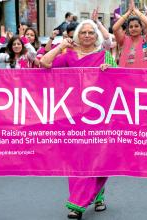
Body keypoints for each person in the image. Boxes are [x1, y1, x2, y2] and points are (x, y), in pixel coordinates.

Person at [40, 19, 117, 220]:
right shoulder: (69, 56)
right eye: (83, 32)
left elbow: (119, 80)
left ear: (97, 36)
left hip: (98, 116)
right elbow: (44, 63)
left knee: (98, 158)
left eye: (91, 32)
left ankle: (91, 197)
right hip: (73, 115)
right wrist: (60, 46)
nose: (87, 35)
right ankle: (80, 201)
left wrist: (109, 72)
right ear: (76, 36)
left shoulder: (105, 56)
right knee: (76, 160)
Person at [113, 0, 147, 68]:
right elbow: (115, 28)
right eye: (131, 27)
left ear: (141, 28)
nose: (133, 29)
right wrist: (128, 12)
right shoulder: (124, 40)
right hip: (127, 77)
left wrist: (136, 11)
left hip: (145, 77)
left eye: (136, 26)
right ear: (128, 29)